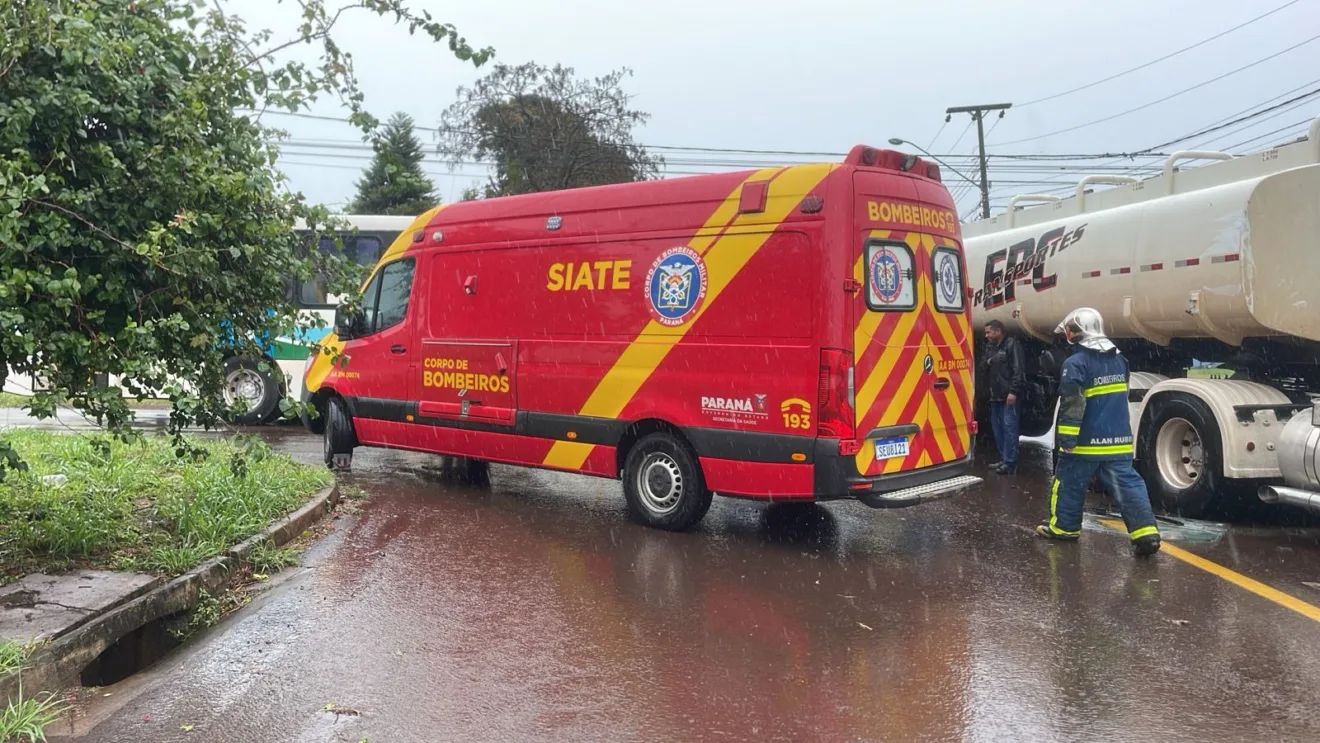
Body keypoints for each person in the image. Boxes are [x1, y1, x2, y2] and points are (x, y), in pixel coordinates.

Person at [1038, 307, 1161, 557]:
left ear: (1078, 332)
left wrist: (1068, 440)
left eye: (1069, 331)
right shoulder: (1120, 360)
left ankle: (1064, 528)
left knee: (1069, 484)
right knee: (1128, 485)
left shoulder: (1075, 363)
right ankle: (1146, 533)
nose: (1067, 335)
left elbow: (1073, 403)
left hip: (1085, 443)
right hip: (1118, 441)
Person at [982, 319, 1025, 475]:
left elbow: (1018, 370)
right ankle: (1004, 457)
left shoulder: (1012, 345)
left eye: (989, 332)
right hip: (995, 396)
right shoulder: (990, 347)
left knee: (1009, 429)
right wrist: (990, 361)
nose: (986, 335)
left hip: (1008, 396)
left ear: (998, 331)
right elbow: (983, 366)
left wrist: (1013, 391)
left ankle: (1010, 462)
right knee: (997, 429)